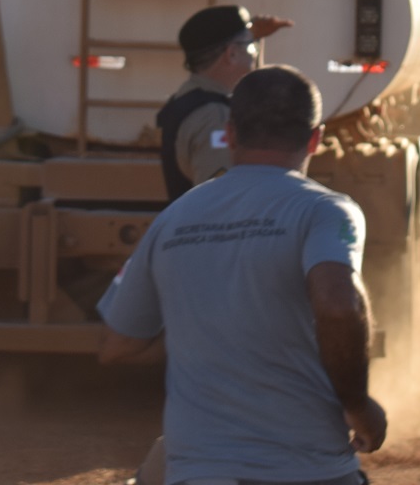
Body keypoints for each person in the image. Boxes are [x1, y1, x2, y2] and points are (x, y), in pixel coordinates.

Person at [100, 65, 385, 485]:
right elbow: (338, 306)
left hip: (201, 470)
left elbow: (117, 344)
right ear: (315, 139)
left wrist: (200, 328)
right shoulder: (324, 211)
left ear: (230, 134)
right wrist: (359, 406)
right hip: (308, 469)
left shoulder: (172, 220)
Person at [155, 4, 294, 202]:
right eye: (251, 47)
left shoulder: (185, 99)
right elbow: (221, 201)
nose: (254, 54)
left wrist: (253, 38)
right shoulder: (214, 118)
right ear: (232, 54)